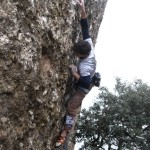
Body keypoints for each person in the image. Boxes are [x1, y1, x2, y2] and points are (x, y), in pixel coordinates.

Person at [55, 0, 97, 147]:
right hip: (87, 76)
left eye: (76, 54)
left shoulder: (85, 66)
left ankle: (65, 133)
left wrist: (74, 72)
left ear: (83, 56)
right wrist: (82, 7)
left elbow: (84, 83)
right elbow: (85, 26)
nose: (75, 54)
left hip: (84, 87)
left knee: (71, 108)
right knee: (73, 106)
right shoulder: (89, 45)